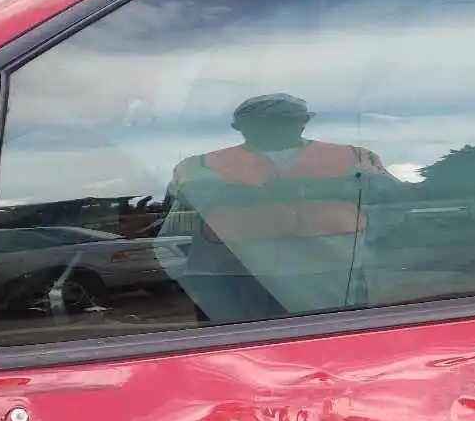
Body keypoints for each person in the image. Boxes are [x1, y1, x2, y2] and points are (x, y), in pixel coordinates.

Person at [162, 93, 397, 323]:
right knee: (236, 347)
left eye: (284, 118)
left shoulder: (358, 157)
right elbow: (181, 208)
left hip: (333, 275)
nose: (274, 126)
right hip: (234, 277)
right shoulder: (195, 166)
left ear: (304, 122)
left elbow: (390, 203)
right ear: (240, 126)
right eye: (262, 121)